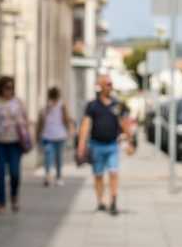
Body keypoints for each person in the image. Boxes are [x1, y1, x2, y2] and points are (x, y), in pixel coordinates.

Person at [76, 75, 135, 214]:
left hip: (112, 145)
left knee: (114, 172)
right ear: (101, 86)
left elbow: (124, 123)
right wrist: (81, 145)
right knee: (98, 175)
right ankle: (100, 201)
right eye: (107, 84)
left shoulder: (117, 104)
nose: (110, 86)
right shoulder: (92, 105)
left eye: (111, 84)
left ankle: (113, 200)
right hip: (96, 145)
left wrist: (130, 141)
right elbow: (85, 125)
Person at [0, 76, 29, 214]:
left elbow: (26, 120)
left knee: (15, 173)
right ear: (0, 88)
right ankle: (1, 204)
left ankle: (14, 196)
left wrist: (25, 129)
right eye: (6, 88)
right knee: (0, 174)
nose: (9, 91)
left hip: (15, 143)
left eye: (11, 88)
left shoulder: (18, 102)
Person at [37, 86, 74, 187]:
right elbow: (65, 119)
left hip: (55, 135)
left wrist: (38, 134)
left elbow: (41, 122)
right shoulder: (48, 107)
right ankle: (53, 177)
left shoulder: (58, 106)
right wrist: (69, 130)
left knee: (53, 157)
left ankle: (54, 176)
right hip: (52, 136)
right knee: (53, 157)